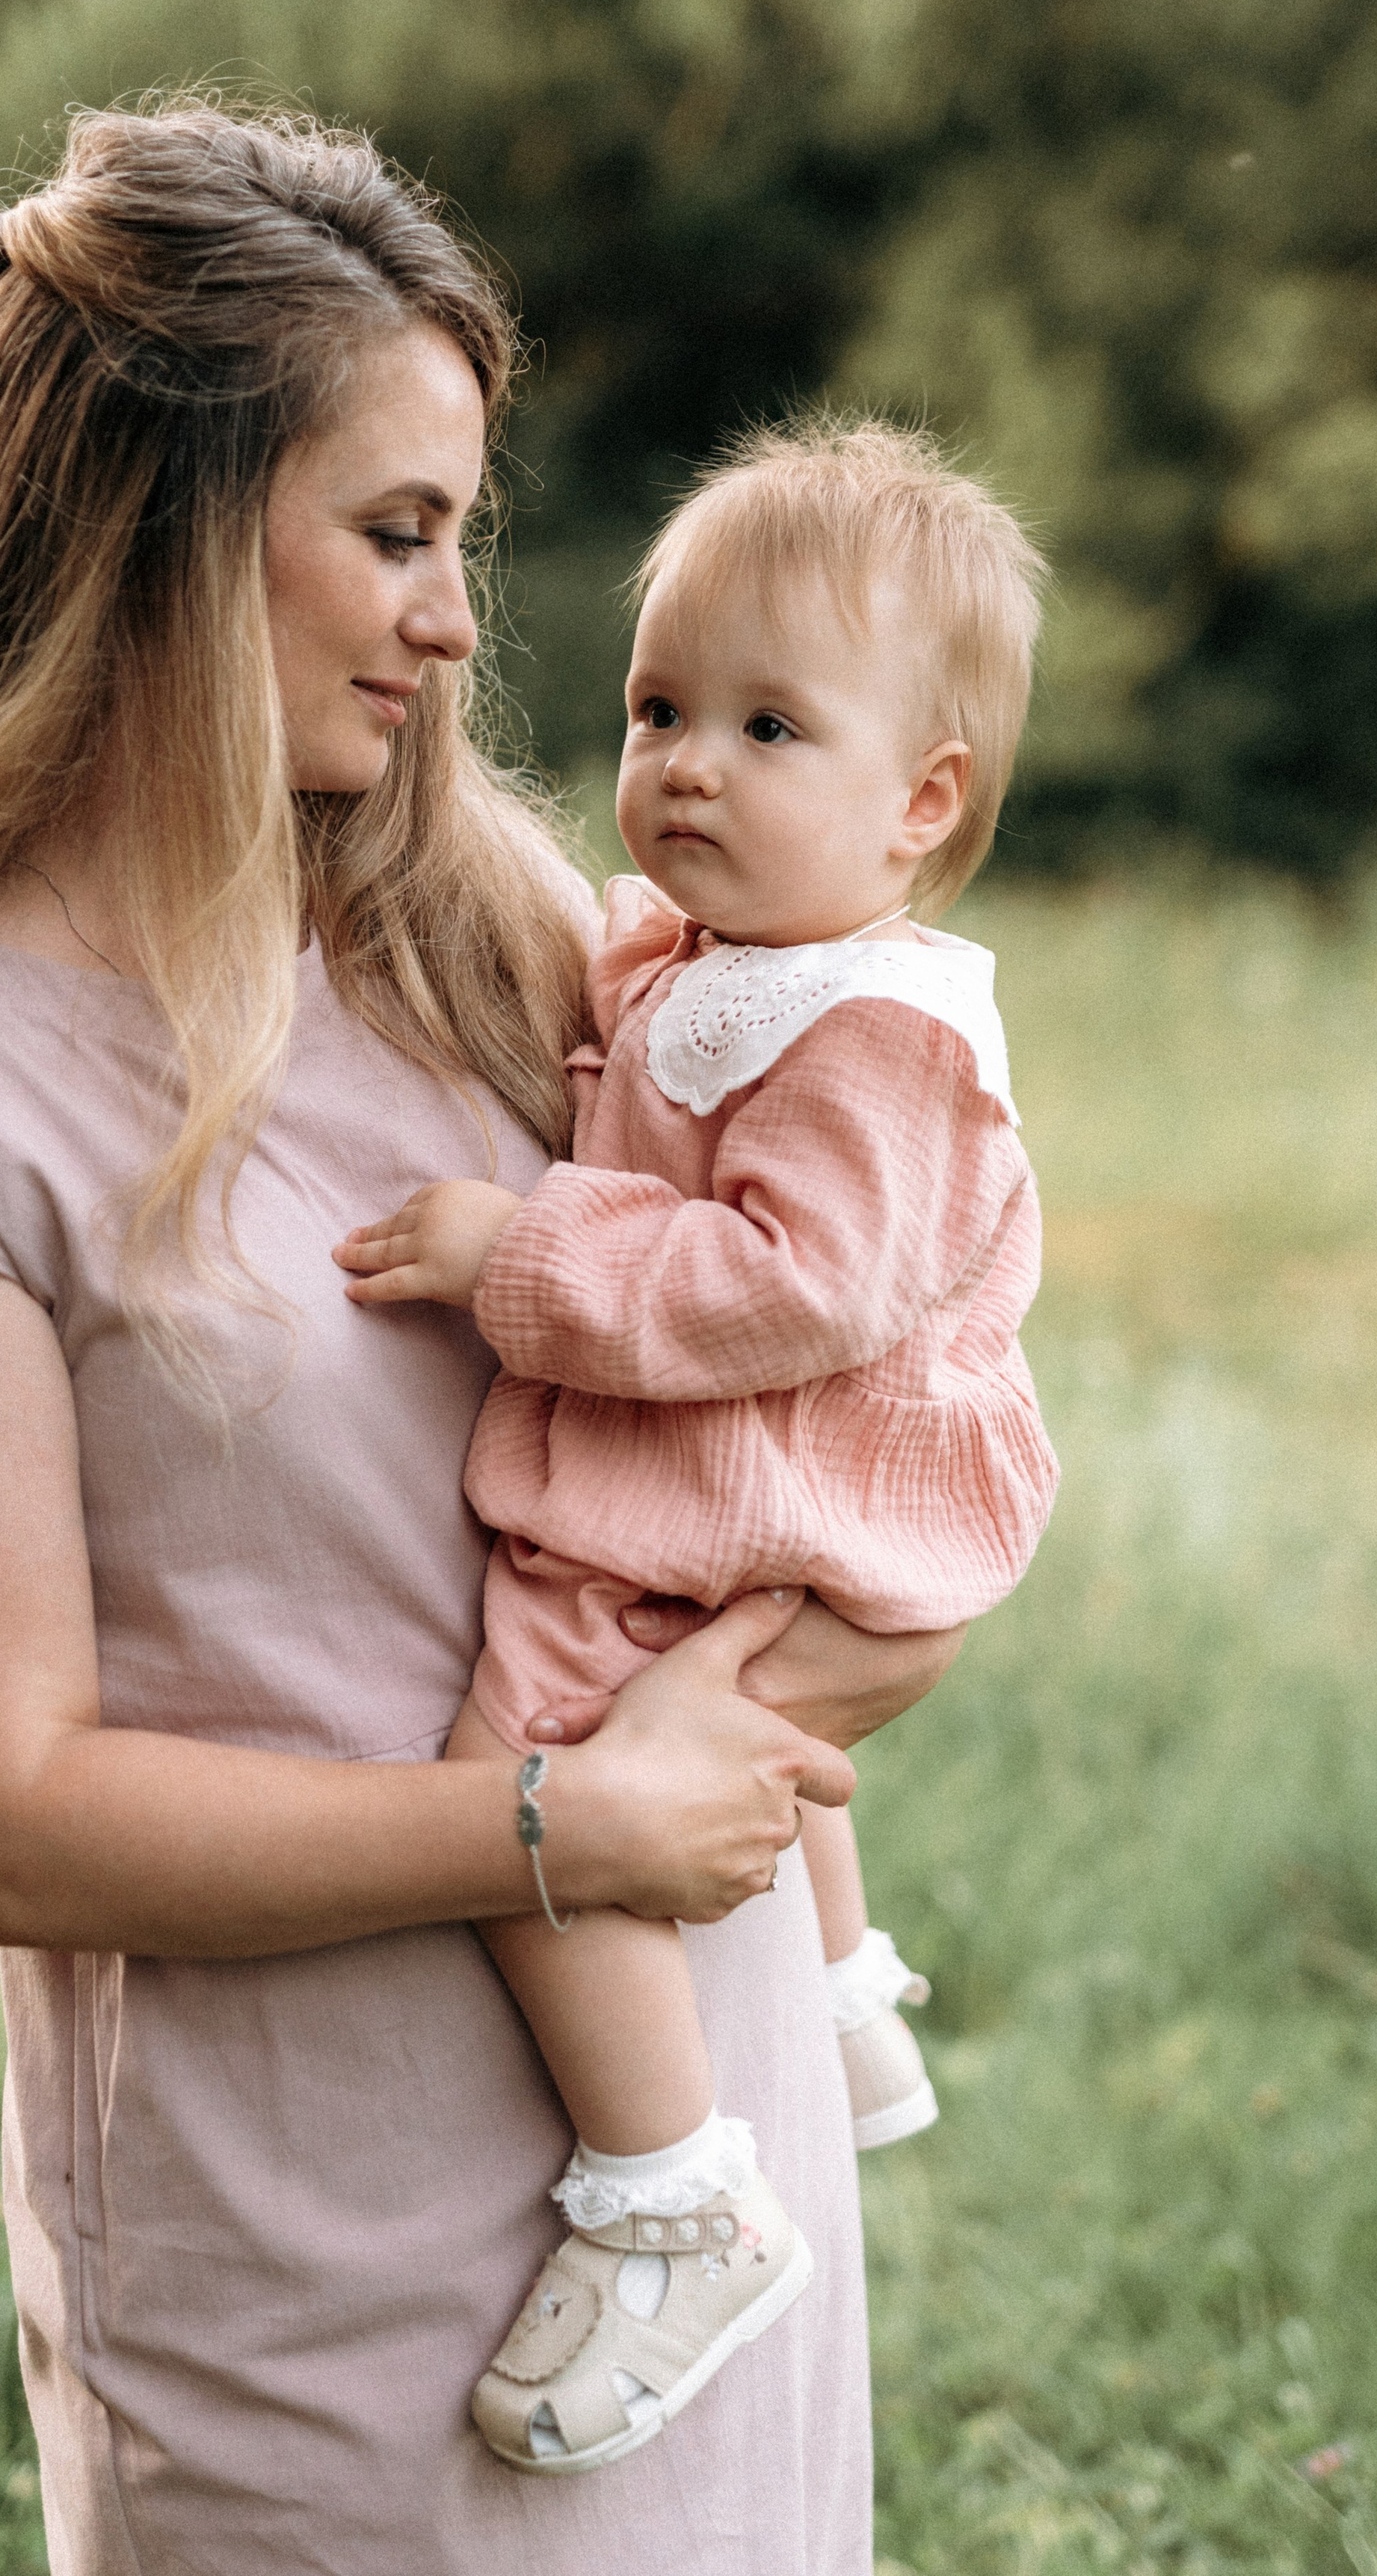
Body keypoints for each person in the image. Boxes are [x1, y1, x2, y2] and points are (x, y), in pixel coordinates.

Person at [0, 101, 963, 2576]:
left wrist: (802, 1685)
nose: (453, 619)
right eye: (393, 533)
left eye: (461, 538)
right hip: (315, 2288)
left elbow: (861, 1365)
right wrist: (560, 1817)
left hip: (705, 2189)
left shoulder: (500, 941)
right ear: (162, 535)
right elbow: (10, 1816)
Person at [337, 419, 1059, 2471]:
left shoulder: (879, 1037)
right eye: (663, 708)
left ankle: (670, 2192)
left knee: (527, 1772)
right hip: (796, 1488)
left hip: (808, 1481)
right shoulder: (725, 954)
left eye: (767, 726)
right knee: (719, 1694)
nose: (687, 766)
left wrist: (522, 1254)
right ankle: (835, 1996)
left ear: (920, 804)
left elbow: (791, 1286)